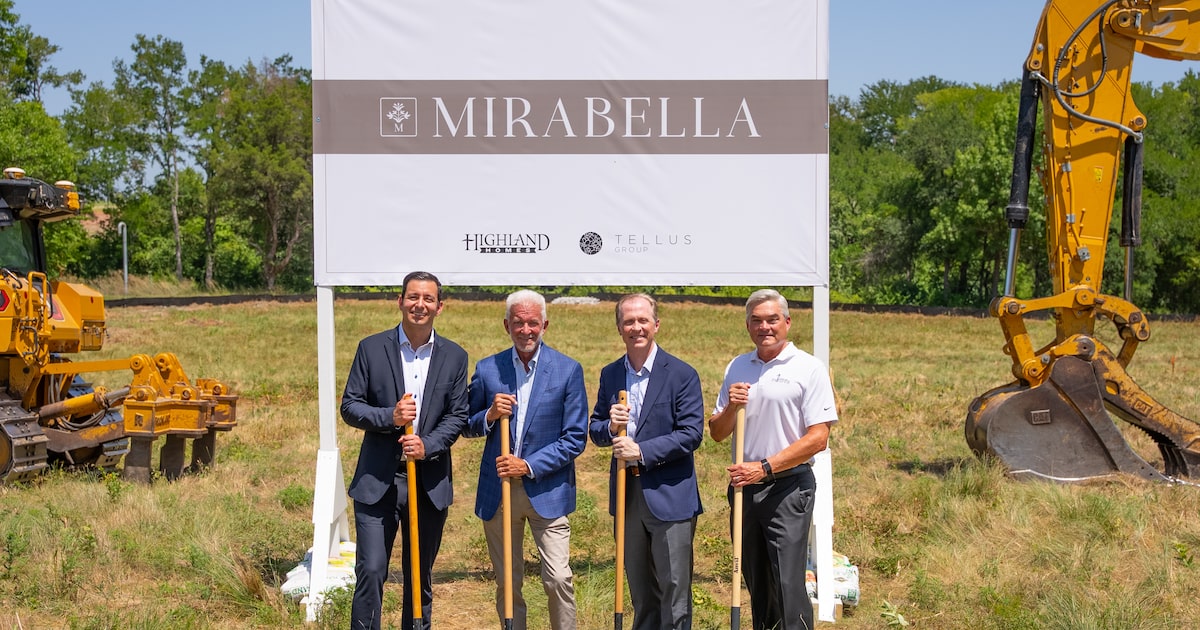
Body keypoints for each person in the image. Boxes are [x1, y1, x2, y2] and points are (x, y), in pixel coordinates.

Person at [341, 271, 469, 630]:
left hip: (428, 483)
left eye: (428, 299)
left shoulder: (455, 356)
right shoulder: (371, 348)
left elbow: (457, 415)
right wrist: (391, 417)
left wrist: (427, 445)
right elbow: (350, 406)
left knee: (419, 575)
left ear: (440, 307)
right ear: (400, 301)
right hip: (377, 481)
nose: (420, 305)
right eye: (413, 297)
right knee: (371, 570)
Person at [709, 289, 838, 630]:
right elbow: (718, 432)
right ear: (748, 325)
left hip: (788, 486)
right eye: (756, 320)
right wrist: (731, 407)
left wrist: (764, 467)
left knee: (786, 582)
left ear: (787, 322)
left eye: (772, 319)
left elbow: (818, 438)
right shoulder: (738, 366)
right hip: (744, 488)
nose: (764, 327)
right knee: (757, 581)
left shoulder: (808, 368)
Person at [463, 289, 588, 630]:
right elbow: (466, 424)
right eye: (518, 323)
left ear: (545, 325)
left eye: (533, 323)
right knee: (508, 581)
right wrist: (489, 415)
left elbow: (575, 437)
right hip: (499, 492)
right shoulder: (488, 369)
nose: (526, 330)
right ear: (507, 325)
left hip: (548, 490)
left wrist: (529, 465)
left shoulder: (567, 370)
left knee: (558, 578)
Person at [589, 293, 705, 630]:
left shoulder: (681, 373)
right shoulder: (611, 374)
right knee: (641, 591)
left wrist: (640, 451)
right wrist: (609, 426)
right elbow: (595, 429)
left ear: (656, 325)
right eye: (629, 321)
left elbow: (691, 434)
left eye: (643, 320)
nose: (636, 327)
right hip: (628, 496)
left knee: (674, 590)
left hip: (670, 495)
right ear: (619, 328)